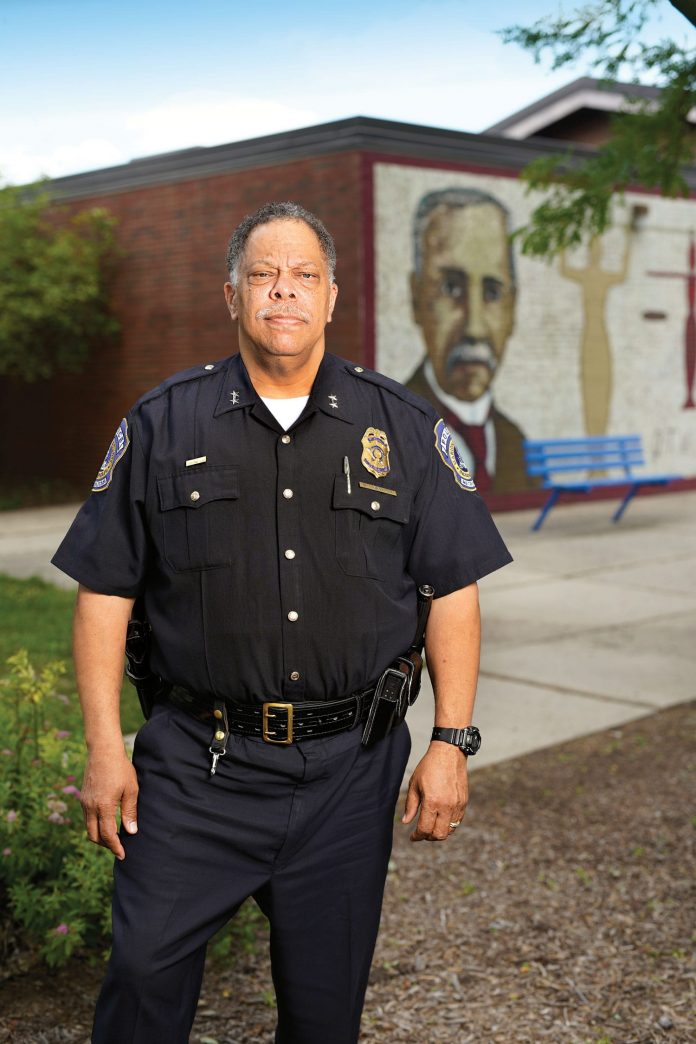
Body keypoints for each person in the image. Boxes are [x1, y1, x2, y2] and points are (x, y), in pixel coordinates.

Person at [52, 201, 512, 1044]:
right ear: (232, 295)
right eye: (262, 275)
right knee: (143, 975)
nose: (283, 293)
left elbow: (452, 589)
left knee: (324, 1011)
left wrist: (453, 740)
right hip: (198, 770)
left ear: (333, 296)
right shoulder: (163, 424)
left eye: (304, 276)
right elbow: (104, 590)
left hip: (348, 775)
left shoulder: (402, 429)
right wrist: (105, 745)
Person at [406, 186, 537, 494]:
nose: (475, 328)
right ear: (415, 298)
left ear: (512, 309)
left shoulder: (514, 441)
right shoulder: (396, 428)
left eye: (492, 293)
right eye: (451, 289)